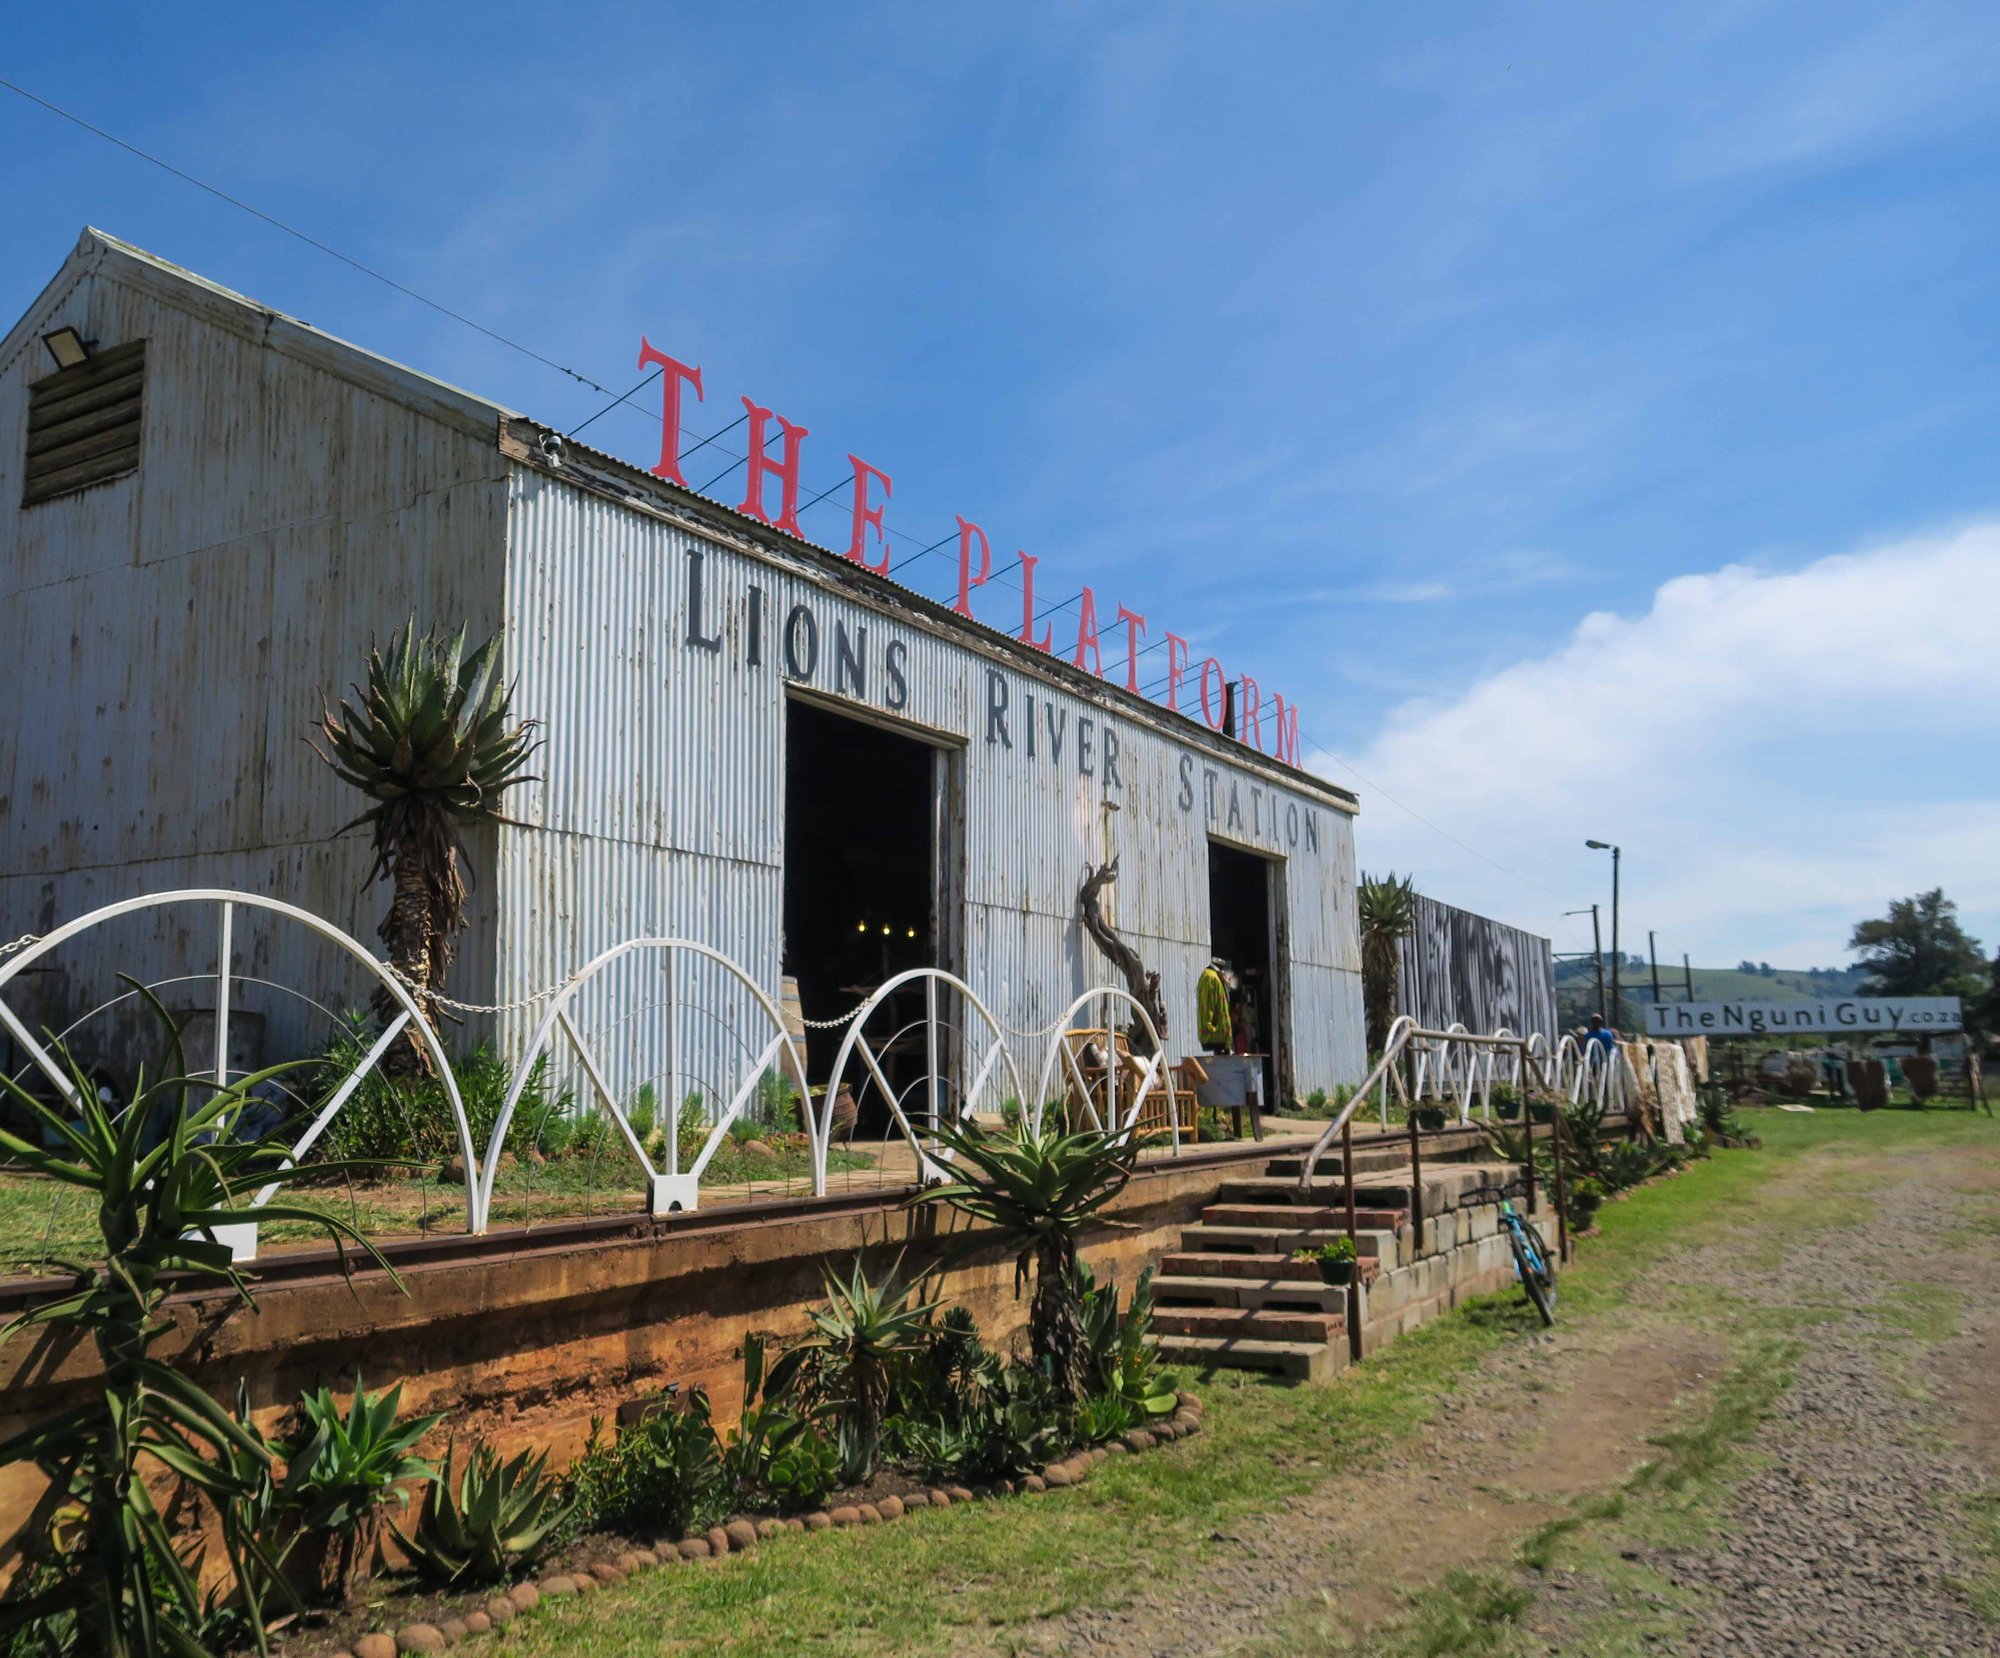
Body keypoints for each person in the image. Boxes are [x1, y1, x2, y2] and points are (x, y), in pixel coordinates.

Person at [1197, 958, 1232, 1055]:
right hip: (1215, 1036)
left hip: (1220, 1035)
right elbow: (1207, 1006)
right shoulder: (1210, 977)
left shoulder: (1216, 976)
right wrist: (1211, 1029)